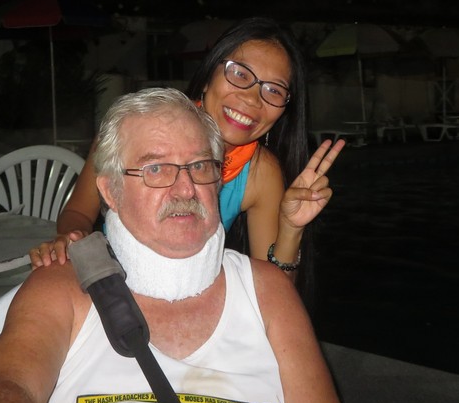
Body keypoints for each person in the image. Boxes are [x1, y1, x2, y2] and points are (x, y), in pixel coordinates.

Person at [0, 88, 362, 403]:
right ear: (110, 191)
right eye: (156, 168)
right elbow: (2, 398)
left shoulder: (269, 291)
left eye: (200, 166)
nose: (186, 188)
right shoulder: (61, 287)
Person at [31, 17, 343, 289]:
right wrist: (72, 239)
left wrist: (291, 230)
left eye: (274, 90)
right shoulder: (133, 130)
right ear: (208, 77)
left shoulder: (260, 173)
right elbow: (78, 212)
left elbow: (275, 291)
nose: (251, 99)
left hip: (192, 293)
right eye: (240, 74)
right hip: (112, 283)